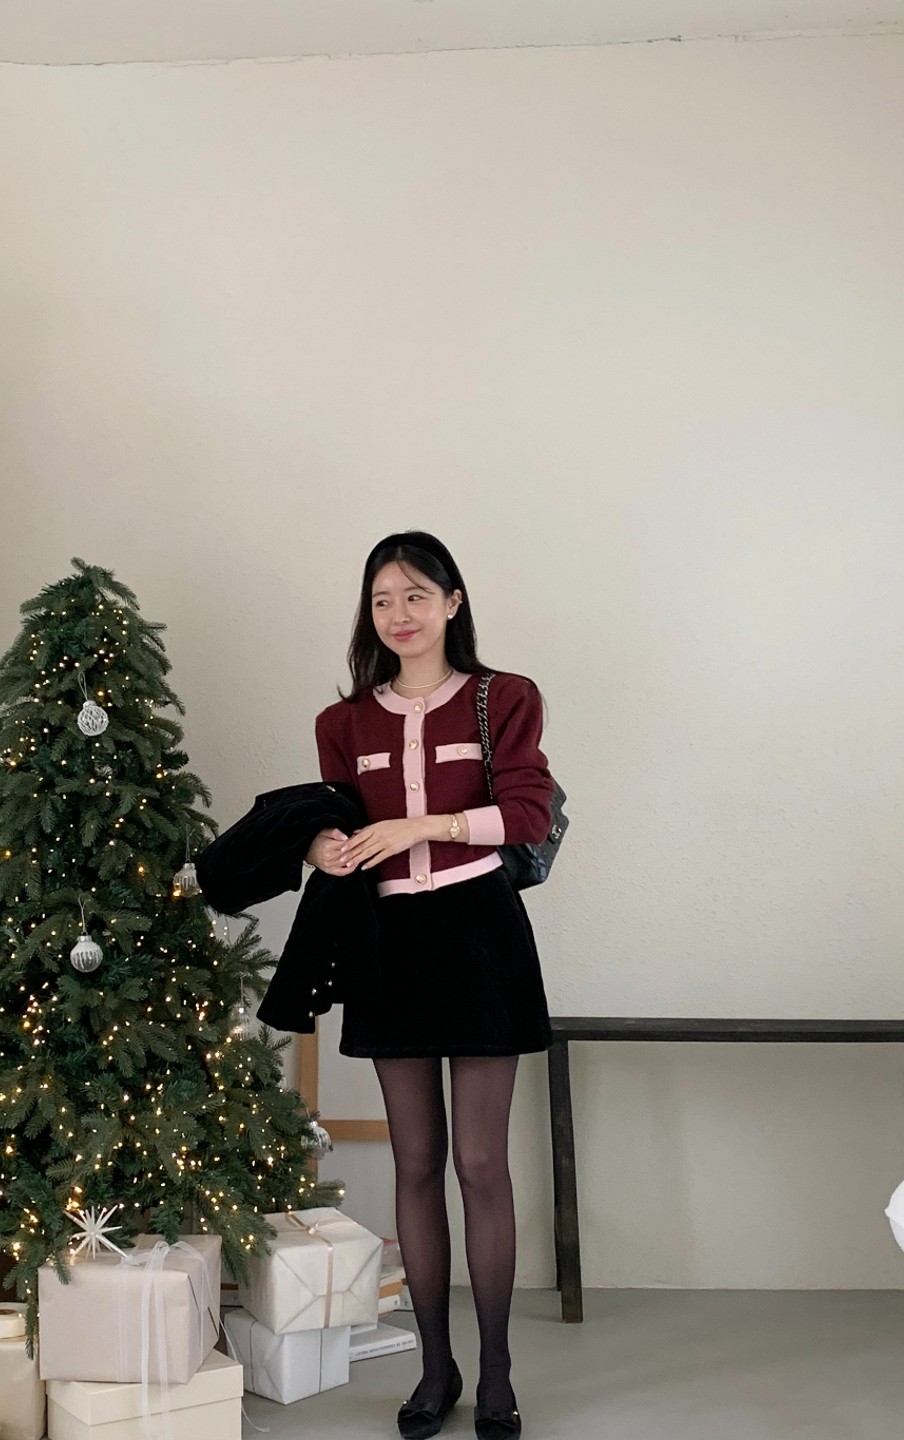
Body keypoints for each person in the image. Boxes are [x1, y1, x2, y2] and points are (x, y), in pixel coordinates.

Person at [306, 530, 556, 1440]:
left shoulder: (504, 697)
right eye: (382, 600)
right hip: (389, 943)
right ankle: (435, 1368)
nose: (399, 614)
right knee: (414, 1163)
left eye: (416, 595)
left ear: (452, 602)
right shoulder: (344, 723)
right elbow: (335, 820)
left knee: (479, 1164)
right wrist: (322, 846)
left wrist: (425, 823)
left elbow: (526, 811)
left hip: (479, 933)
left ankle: (495, 1371)